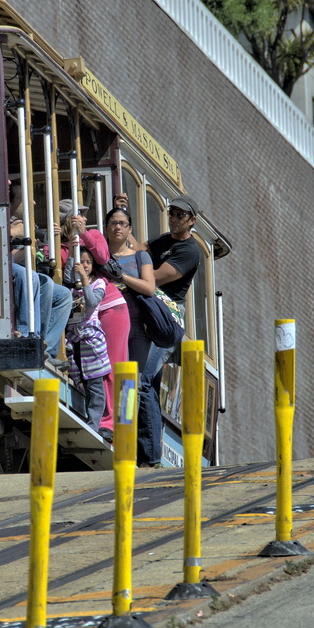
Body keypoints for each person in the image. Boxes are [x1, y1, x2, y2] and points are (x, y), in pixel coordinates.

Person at [114, 193, 202, 467]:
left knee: (141, 381)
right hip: (148, 310)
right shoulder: (164, 240)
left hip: (166, 317)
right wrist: (123, 215)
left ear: (192, 221)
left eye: (180, 215)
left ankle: (150, 456)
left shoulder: (189, 251)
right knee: (143, 382)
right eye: (171, 213)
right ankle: (140, 448)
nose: (174, 219)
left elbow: (155, 277)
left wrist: (130, 270)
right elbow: (137, 250)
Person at [103, 206, 157, 463]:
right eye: (113, 222)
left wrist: (121, 276)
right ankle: (111, 431)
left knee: (130, 385)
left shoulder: (140, 257)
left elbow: (149, 288)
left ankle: (130, 443)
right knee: (109, 379)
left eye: (123, 223)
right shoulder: (99, 255)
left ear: (130, 229)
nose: (117, 227)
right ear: (106, 227)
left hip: (137, 331)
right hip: (107, 328)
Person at [8, 179, 73, 363]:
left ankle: (47, 347)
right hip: (0, 273)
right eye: (26, 198)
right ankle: (29, 334)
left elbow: (20, 256)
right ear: (13, 201)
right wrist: (18, 235)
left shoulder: (28, 224)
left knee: (62, 294)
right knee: (29, 276)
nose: (34, 203)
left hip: (19, 271)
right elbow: (1, 259)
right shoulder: (4, 220)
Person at [63, 230, 112, 435]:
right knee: (78, 381)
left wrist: (84, 279)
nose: (84, 265)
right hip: (73, 338)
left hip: (91, 340)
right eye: (80, 261)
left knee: (95, 385)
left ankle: (94, 425)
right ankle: (83, 419)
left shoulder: (98, 283)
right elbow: (66, 274)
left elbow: (92, 303)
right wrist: (73, 250)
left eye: (88, 263)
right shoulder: (69, 284)